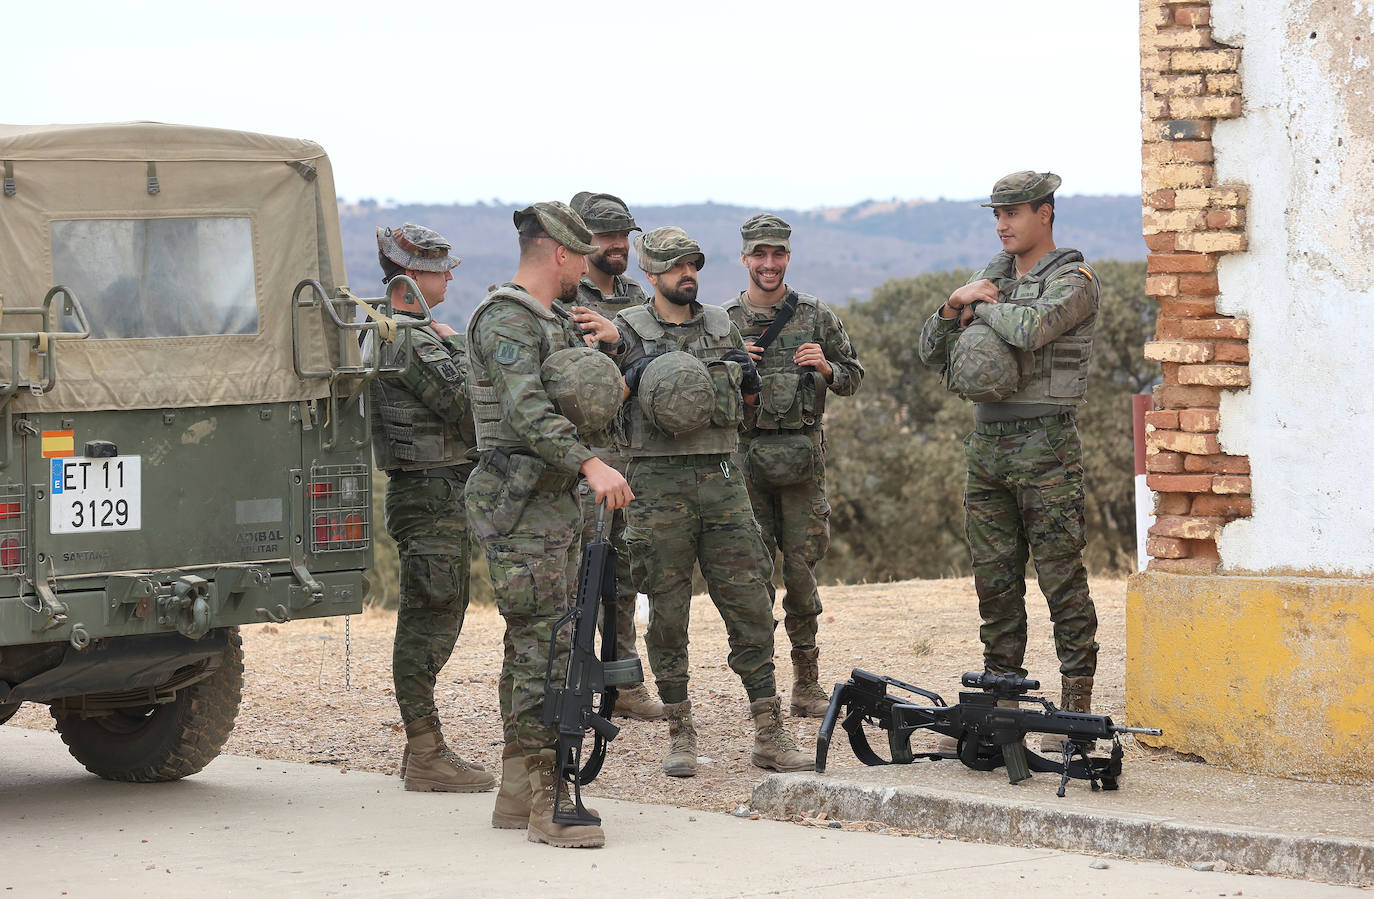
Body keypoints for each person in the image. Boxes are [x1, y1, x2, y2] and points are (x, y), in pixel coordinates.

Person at [612, 226, 814, 779]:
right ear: (651, 275)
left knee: (750, 603)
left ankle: (770, 735)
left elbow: (749, 397)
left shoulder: (721, 324)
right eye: (675, 267)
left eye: (693, 265)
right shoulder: (627, 330)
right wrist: (629, 379)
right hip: (656, 486)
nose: (688, 275)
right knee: (668, 612)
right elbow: (605, 408)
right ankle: (680, 733)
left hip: (722, 479)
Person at [465, 201, 632, 849]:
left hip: (549, 500)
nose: (587, 268)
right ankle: (547, 797)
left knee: (541, 637)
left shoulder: (554, 319)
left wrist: (608, 351)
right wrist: (590, 463)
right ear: (559, 253)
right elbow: (527, 410)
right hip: (521, 501)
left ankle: (517, 788)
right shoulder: (506, 320)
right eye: (582, 255)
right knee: (548, 642)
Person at [916, 171, 1101, 753]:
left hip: (1046, 443)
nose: (1001, 225)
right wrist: (954, 304)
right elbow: (930, 350)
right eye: (996, 215)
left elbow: (1033, 327)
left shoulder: (1075, 279)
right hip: (988, 445)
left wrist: (982, 307)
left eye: (1013, 213)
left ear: (1044, 214)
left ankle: (1076, 719)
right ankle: (1001, 712)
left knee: (1061, 578)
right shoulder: (987, 277)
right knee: (995, 583)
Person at [721, 213, 864, 717]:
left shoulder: (814, 314)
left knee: (801, 574)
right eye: (759, 254)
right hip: (745, 466)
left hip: (803, 463)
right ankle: (762, 691)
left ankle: (807, 683)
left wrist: (826, 366)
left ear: (788, 256)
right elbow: (693, 395)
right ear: (744, 258)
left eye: (777, 253)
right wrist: (733, 368)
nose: (768, 263)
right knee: (752, 576)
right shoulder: (722, 323)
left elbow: (853, 376)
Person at [370, 224, 495, 794]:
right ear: (411, 277)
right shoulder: (412, 339)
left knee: (439, 609)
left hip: (436, 490)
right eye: (441, 269)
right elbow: (470, 409)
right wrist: (460, 346)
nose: (449, 277)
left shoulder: (400, 331)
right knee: (429, 616)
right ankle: (425, 751)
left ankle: (423, 747)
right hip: (430, 492)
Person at [567, 191, 662, 721]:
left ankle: (623, 680)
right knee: (580, 570)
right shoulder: (566, 295)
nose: (617, 245)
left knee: (624, 573)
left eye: (624, 235)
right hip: (588, 452)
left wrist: (620, 338)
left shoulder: (636, 296)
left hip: (634, 450)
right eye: (605, 236)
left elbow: (661, 359)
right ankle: (571, 684)